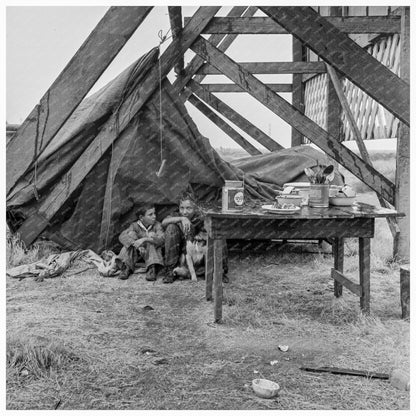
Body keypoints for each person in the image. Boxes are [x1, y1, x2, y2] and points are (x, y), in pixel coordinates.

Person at [161, 194, 228, 284]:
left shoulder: (201, 217)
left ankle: (220, 271)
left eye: (189, 208)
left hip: (200, 255)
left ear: (195, 208)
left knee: (219, 234)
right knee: (171, 228)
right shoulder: (177, 215)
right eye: (182, 208)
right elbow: (164, 222)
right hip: (183, 255)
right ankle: (170, 270)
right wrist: (182, 219)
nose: (185, 212)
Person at [117, 203, 165, 281]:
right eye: (150, 214)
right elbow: (122, 236)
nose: (154, 216)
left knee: (152, 236)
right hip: (137, 254)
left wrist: (145, 239)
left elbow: (162, 239)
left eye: (154, 213)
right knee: (130, 234)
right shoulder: (135, 225)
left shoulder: (157, 225)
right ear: (141, 217)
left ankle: (152, 269)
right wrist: (136, 244)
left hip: (153, 255)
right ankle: (127, 267)